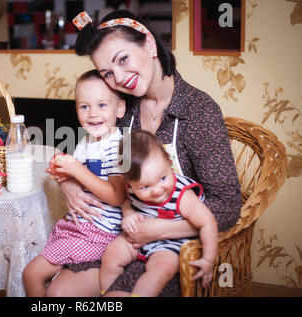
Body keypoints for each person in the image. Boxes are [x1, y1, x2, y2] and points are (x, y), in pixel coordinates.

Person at [46, 10, 241, 297]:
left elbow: (227, 206)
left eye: (123, 59)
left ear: (149, 44)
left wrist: (158, 230)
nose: (120, 79)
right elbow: (89, 156)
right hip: (113, 236)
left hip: (174, 251)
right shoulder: (122, 108)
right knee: (56, 295)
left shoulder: (198, 112)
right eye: (107, 73)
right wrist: (69, 186)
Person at [22, 69, 127, 296]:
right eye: (84, 106)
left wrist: (76, 170)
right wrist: (62, 174)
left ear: (120, 109)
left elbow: (118, 196)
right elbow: (68, 175)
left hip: (101, 233)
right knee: (30, 275)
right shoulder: (86, 143)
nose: (92, 114)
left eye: (102, 105)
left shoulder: (122, 145)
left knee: (48, 286)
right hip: (76, 227)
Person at [100, 130, 218, 297]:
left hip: (169, 244)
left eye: (163, 178)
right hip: (137, 238)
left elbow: (208, 222)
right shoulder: (132, 188)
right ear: (130, 183)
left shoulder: (182, 195)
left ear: (169, 163)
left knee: (160, 270)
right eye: (145, 187)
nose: (157, 190)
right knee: (111, 255)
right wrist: (128, 214)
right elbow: (127, 202)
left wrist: (208, 259)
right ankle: (108, 294)